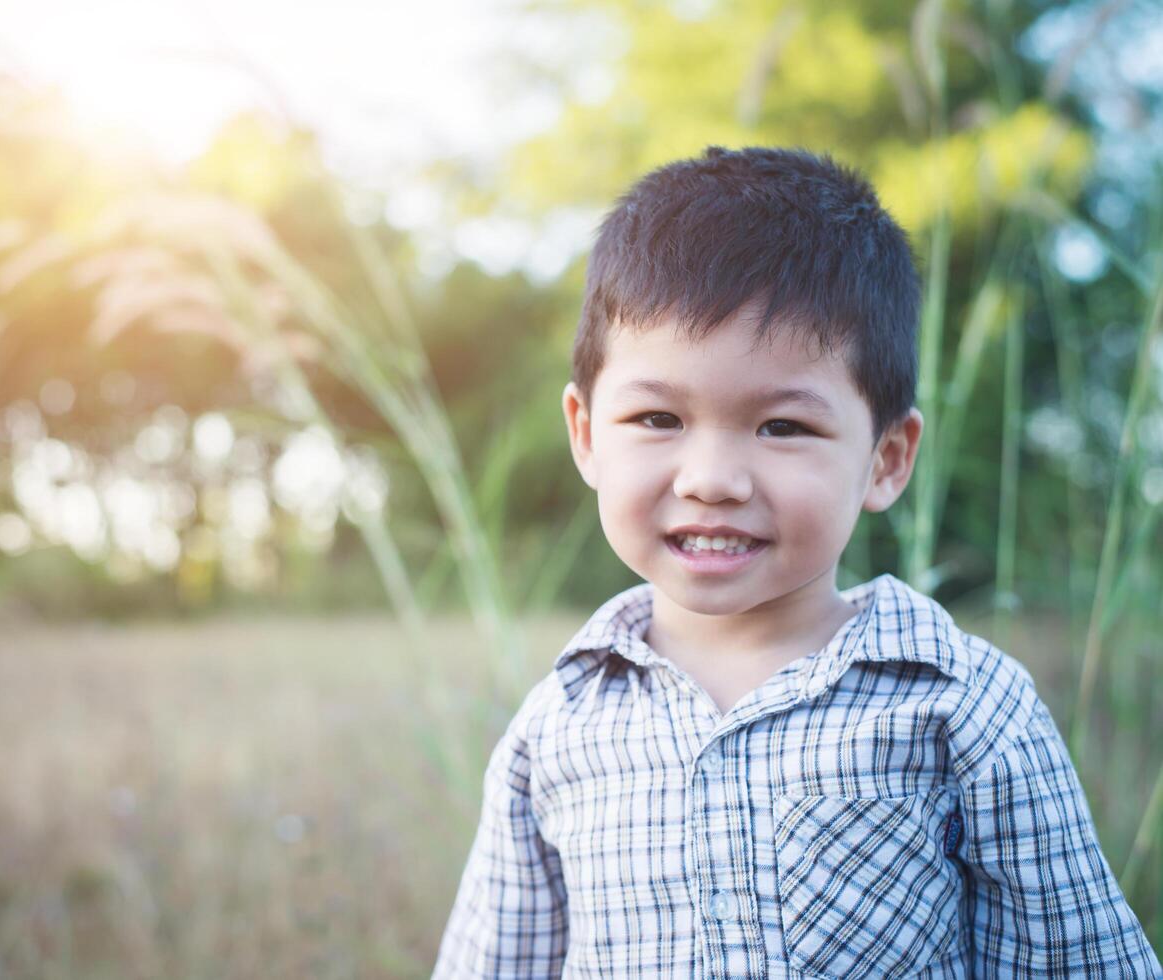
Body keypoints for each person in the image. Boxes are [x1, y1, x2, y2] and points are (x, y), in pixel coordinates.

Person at [430, 146, 1162, 977]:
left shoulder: (963, 708)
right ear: (587, 433)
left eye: (782, 427)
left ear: (886, 458)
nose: (710, 480)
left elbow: (1075, 961)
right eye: (657, 419)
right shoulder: (557, 729)